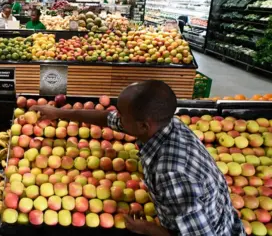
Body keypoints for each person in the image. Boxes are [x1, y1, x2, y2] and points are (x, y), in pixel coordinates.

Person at [30, 80, 245, 236]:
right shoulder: (168, 124)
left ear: (143, 125)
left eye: (123, 114)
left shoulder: (170, 172)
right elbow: (109, 118)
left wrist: (151, 230)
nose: (117, 116)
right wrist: (59, 113)